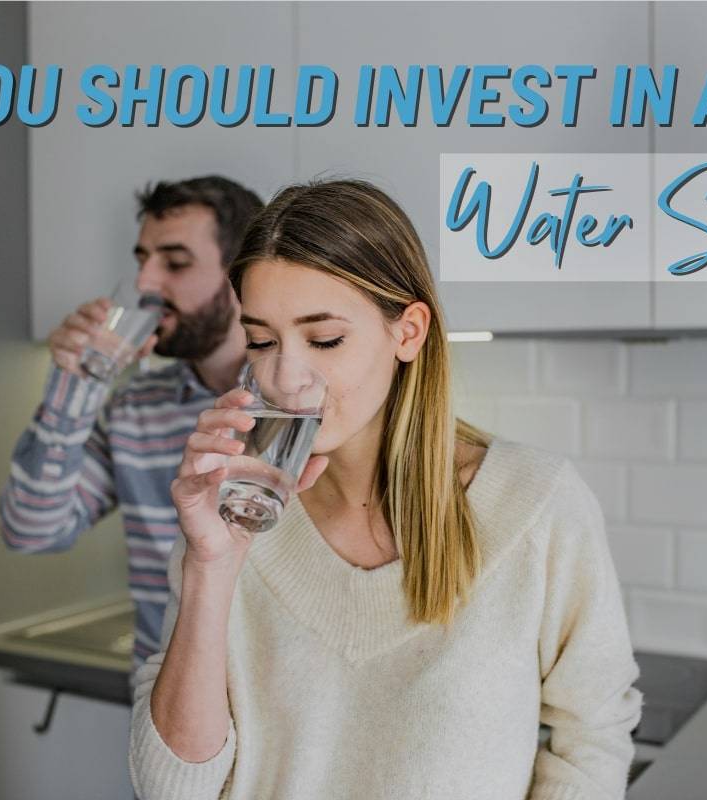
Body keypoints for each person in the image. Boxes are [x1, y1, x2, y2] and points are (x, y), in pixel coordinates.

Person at [129, 179, 644, 800]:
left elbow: (591, 740)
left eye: (324, 339)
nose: (286, 377)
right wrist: (211, 567)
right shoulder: (235, 516)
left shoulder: (537, 505)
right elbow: (170, 790)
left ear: (408, 332)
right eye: (262, 341)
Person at [0, 175, 263, 677]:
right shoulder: (135, 407)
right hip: (164, 697)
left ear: (242, 274)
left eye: (176, 263)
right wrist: (73, 387)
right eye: (143, 260)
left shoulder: (300, 409)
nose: (145, 283)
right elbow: (31, 530)